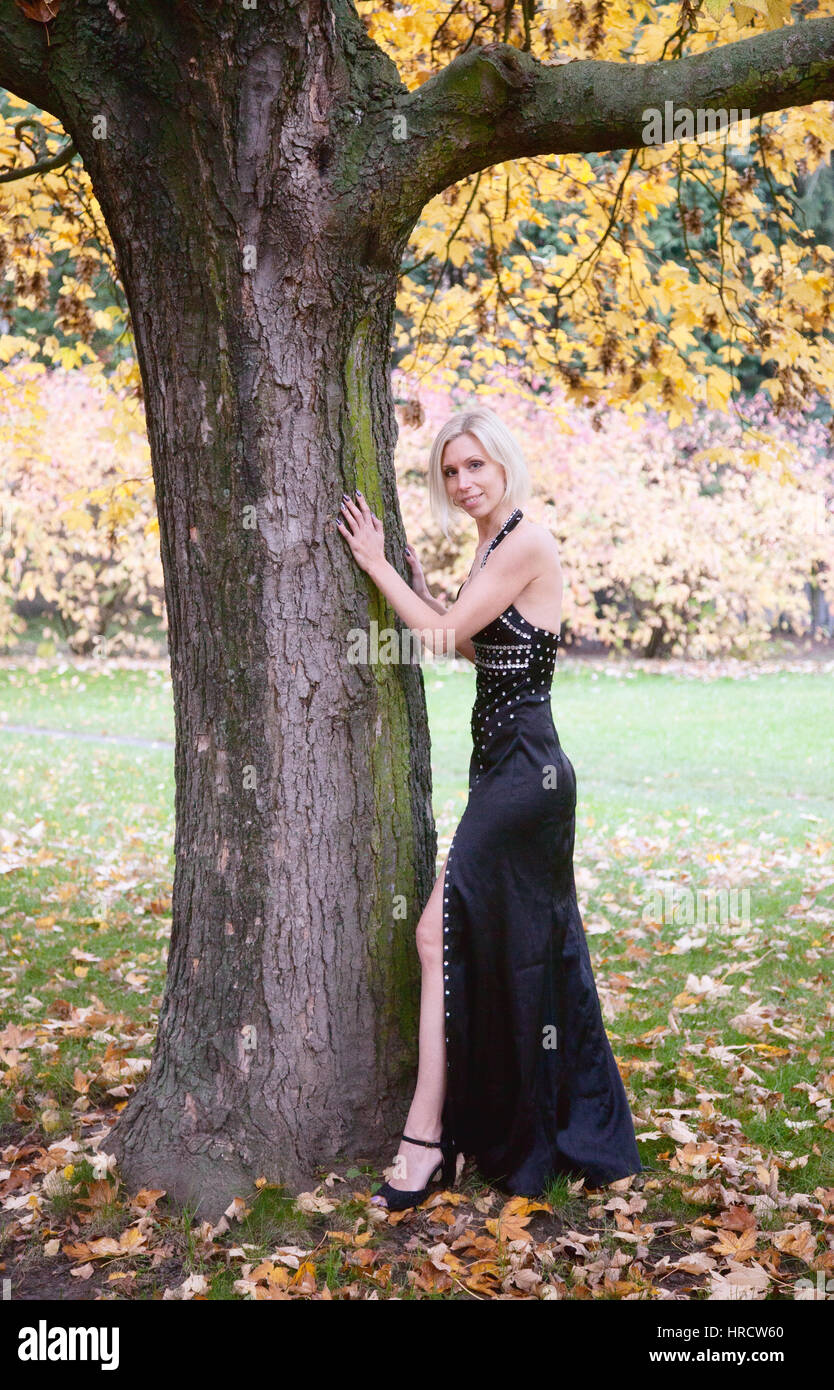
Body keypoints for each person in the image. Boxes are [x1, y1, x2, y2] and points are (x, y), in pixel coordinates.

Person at [336, 404, 641, 1211]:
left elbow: (437, 642)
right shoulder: (494, 544)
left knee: (437, 934)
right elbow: (486, 647)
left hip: (526, 778)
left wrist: (377, 564)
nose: (462, 482)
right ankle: (529, 1121)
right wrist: (439, 594)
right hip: (506, 769)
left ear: (503, 463)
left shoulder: (528, 539)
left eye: (474, 466)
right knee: (515, 946)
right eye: (449, 471)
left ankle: (426, 1139)